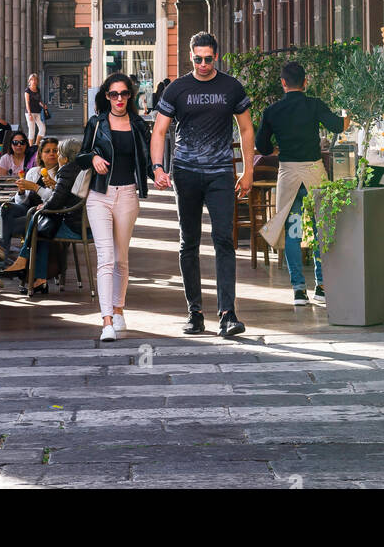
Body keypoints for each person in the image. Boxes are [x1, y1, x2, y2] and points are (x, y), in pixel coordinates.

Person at [150, 32, 254, 338]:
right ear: (190, 57)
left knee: (224, 240)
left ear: (216, 57)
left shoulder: (231, 86)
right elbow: (159, 131)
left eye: (209, 59)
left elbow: (246, 129)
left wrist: (247, 171)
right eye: (198, 59)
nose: (204, 64)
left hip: (221, 172)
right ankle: (194, 312)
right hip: (186, 173)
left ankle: (228, 314)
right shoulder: (178, 88)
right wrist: (158, 167)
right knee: (189, 241)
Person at [256, 60, 348, 307]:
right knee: (322, 228)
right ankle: (322, 286)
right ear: (305, 82)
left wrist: (276, 147)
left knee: (293, 230)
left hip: (288, 174)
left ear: (283, 83)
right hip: (314, 172)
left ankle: (298, 290)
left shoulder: (272, 111)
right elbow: (338, 125)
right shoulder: (314, 105)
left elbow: (262, 147)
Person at [79, 70, 154, 343]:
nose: (119, 98)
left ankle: (119, 308)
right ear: (106, 96)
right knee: (106, 257)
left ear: (130, 95)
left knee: (121, 258)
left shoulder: (138, 125)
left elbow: (145, 161)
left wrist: (158, 174)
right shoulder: (96, 123)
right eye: (113, 94)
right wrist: (94, 158)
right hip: (99, 196)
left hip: (128, 195)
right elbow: (81, 157)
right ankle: (107, 320)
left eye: (124, 93)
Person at [0, 137, 87, 295]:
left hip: (70, 223)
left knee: (40, 224)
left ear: (65, 157)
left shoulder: (65, 170)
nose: (54, 155)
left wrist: (41, 199)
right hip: (71, 218)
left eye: (57, 152)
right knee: (36, 219)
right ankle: (35, 276)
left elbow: (56, 202)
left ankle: (21, 262)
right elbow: (65, 196)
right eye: (48, 151)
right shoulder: (77, 169)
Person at [0, 136, 58, 267]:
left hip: (43, 215)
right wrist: (21, 191)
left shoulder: (60, 173)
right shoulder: (34, 172)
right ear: (40, 154)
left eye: (55, 150)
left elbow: (54, 199)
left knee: (6, 225)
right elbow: (22, 201)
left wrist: (35, 187)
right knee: (6, 207)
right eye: (47, 151)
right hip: (27, 209)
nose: (51, 154)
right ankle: (0, 252)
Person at [24, 73, 49, 144]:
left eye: (35, 79)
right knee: (32, 130)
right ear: (29, 81)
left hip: (38, 112)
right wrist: (29, 114)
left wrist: (43, 105)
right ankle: (31, 147)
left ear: (37, 81)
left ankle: (36, 144)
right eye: (32, 80)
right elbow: (27, 103)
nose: (34, 81)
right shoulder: (27, 90)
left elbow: (39, 101)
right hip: (30, 112)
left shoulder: (38, 89)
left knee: (42, 129)